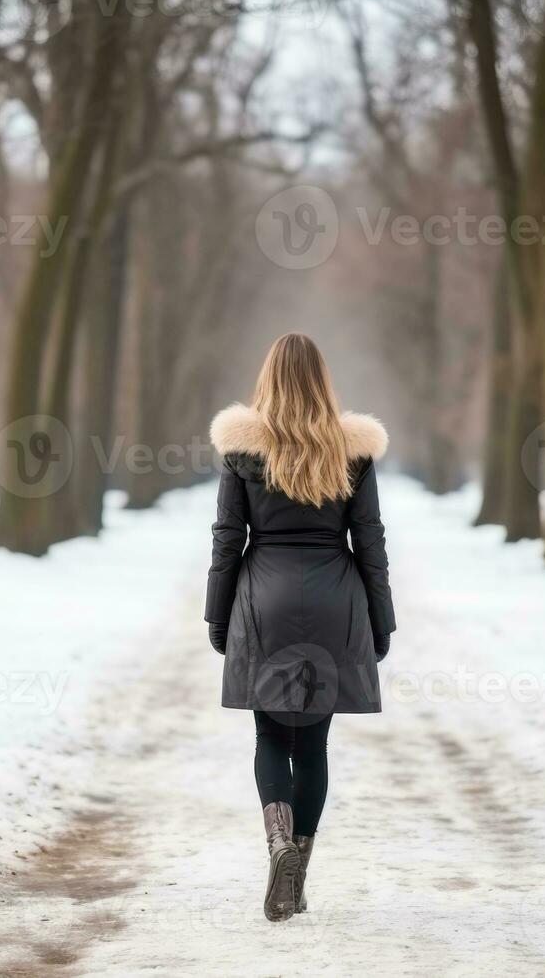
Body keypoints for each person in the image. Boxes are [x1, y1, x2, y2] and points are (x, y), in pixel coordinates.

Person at [204, 332, 395, 923]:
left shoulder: (242, 451)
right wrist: (381, 621)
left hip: (266, 598)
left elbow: (227, 540)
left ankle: (278, 844)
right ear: (322, 383)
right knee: (313, 743)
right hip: (337, 600)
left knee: (270, 738)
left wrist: (218, 616)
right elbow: (370, 541)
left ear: (268, 381)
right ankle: (298, 873)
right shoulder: (352, 452)